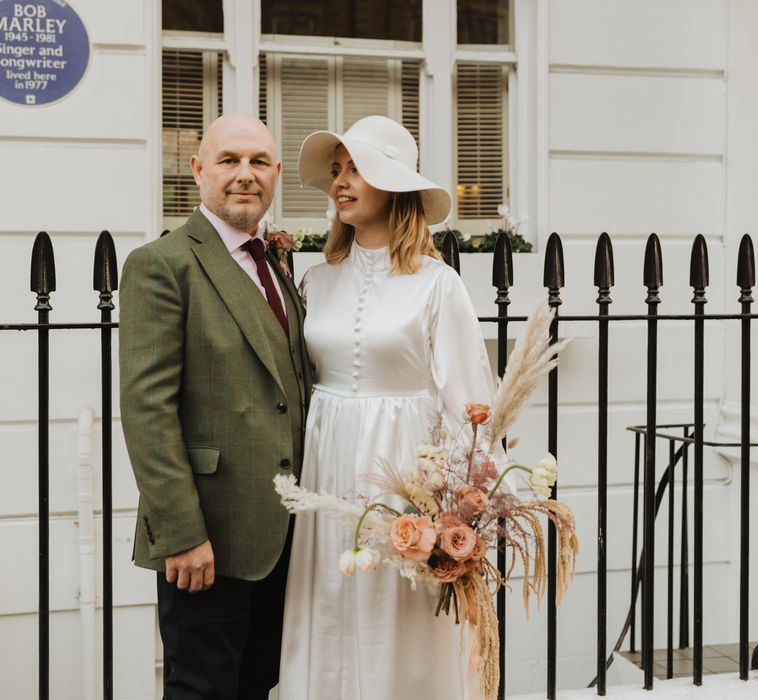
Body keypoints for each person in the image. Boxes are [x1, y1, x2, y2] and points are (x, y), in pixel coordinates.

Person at [278, 116, 502, 699]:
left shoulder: (437, 283)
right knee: (327, 601)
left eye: (358, 169)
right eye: (337, 170)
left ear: (394, 185)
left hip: (404, 474)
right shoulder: (314, 280)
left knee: (399, 618)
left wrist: (465, 509)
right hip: (325, 470)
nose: (341, 182)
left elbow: (468, 404)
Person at [119, 112, 312, 700]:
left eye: (258, 163)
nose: (244, 175)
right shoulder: (163, 264)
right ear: (198, 170)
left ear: (277, 174)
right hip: (206, 540)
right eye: (229, 161)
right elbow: (147, 407)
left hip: (283, 538)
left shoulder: (277, 262)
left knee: (258, 685)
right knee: (202, 690)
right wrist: (179, 533)